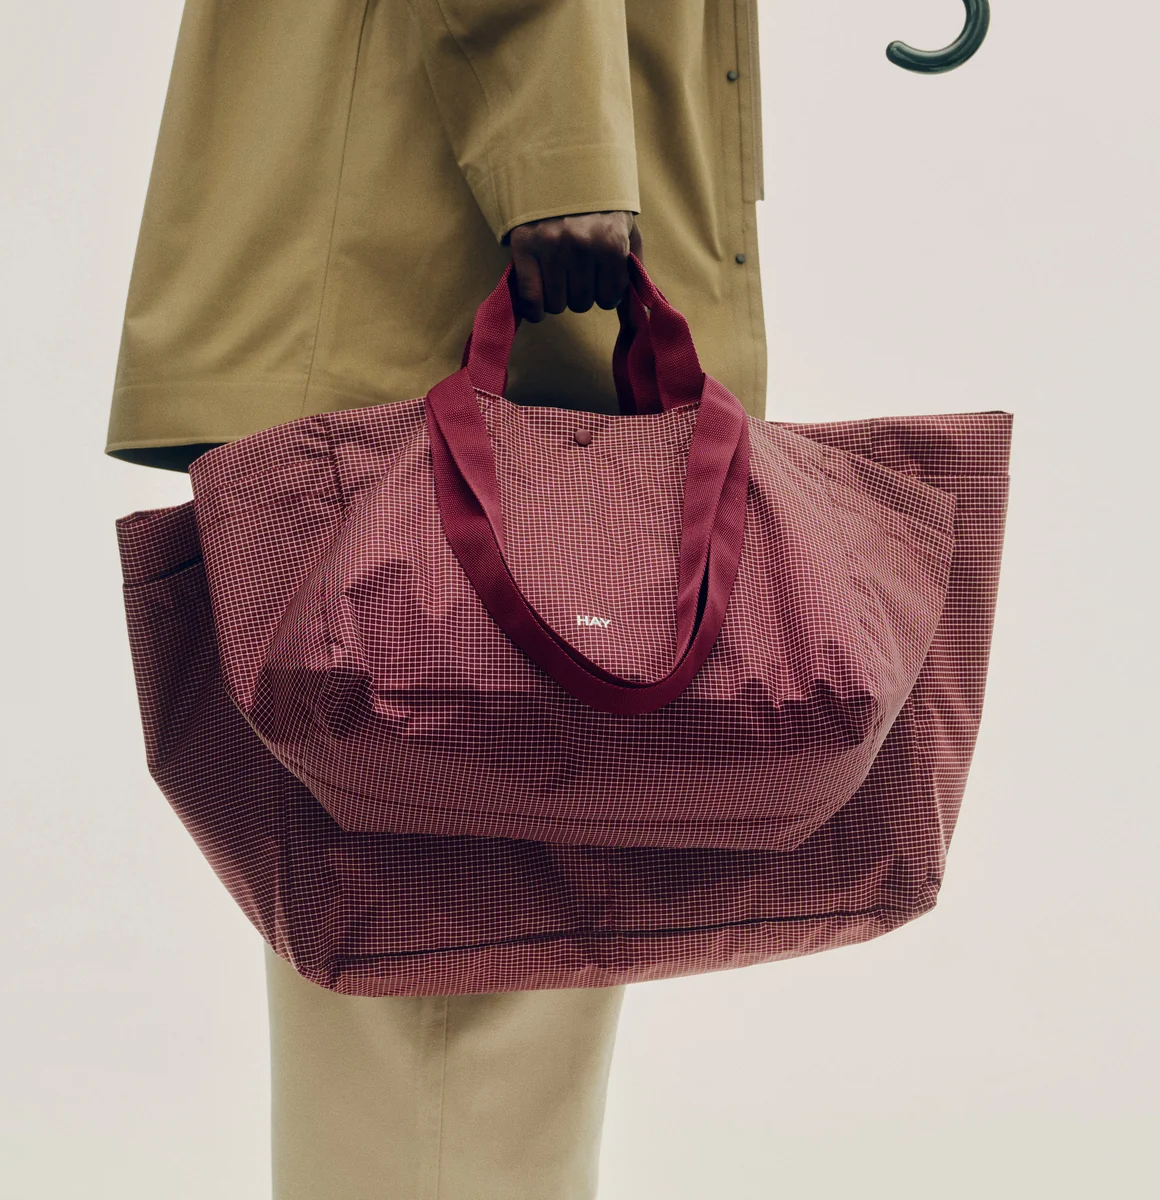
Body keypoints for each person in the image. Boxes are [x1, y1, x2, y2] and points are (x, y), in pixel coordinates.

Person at [106, 2, 767, 1196]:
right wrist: (556, 150)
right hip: (450, 228)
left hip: (424, 228)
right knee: (461, 955)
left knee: (467, 942)